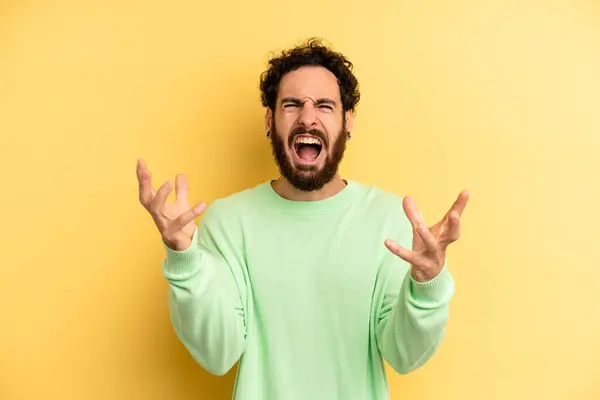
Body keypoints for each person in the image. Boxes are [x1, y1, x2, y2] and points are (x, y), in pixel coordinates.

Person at [136, 38, 469, 400]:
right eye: (292, 104)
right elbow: (217, 354)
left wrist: (427, 282)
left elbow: (404, 355)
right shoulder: (229, 222)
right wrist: (183, 258)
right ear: (270, 120)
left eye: (325, 105)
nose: (307, 117)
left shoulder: (389, 218)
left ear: (348, 121)